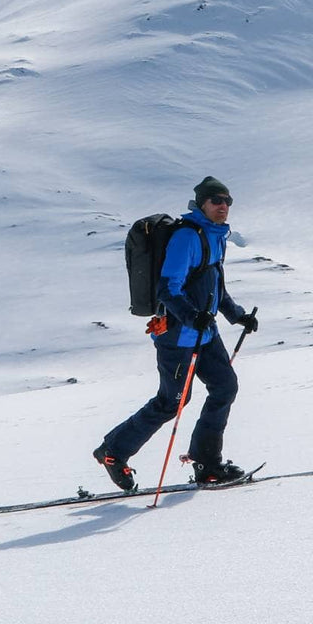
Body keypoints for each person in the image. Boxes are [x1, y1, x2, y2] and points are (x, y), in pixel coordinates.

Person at [95, 176, 259, 489]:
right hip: (176, 335)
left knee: (225, 387)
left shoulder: (216, 236)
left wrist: (238, 317)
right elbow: (167, 288)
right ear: (202, 204)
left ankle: (207, 462)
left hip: (204, 332)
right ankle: (113, 452)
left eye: (227, 201)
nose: (223, 206)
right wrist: (189, 316)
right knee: (171, 402)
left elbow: (215, 287)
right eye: (216, 201)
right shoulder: (188, 237)